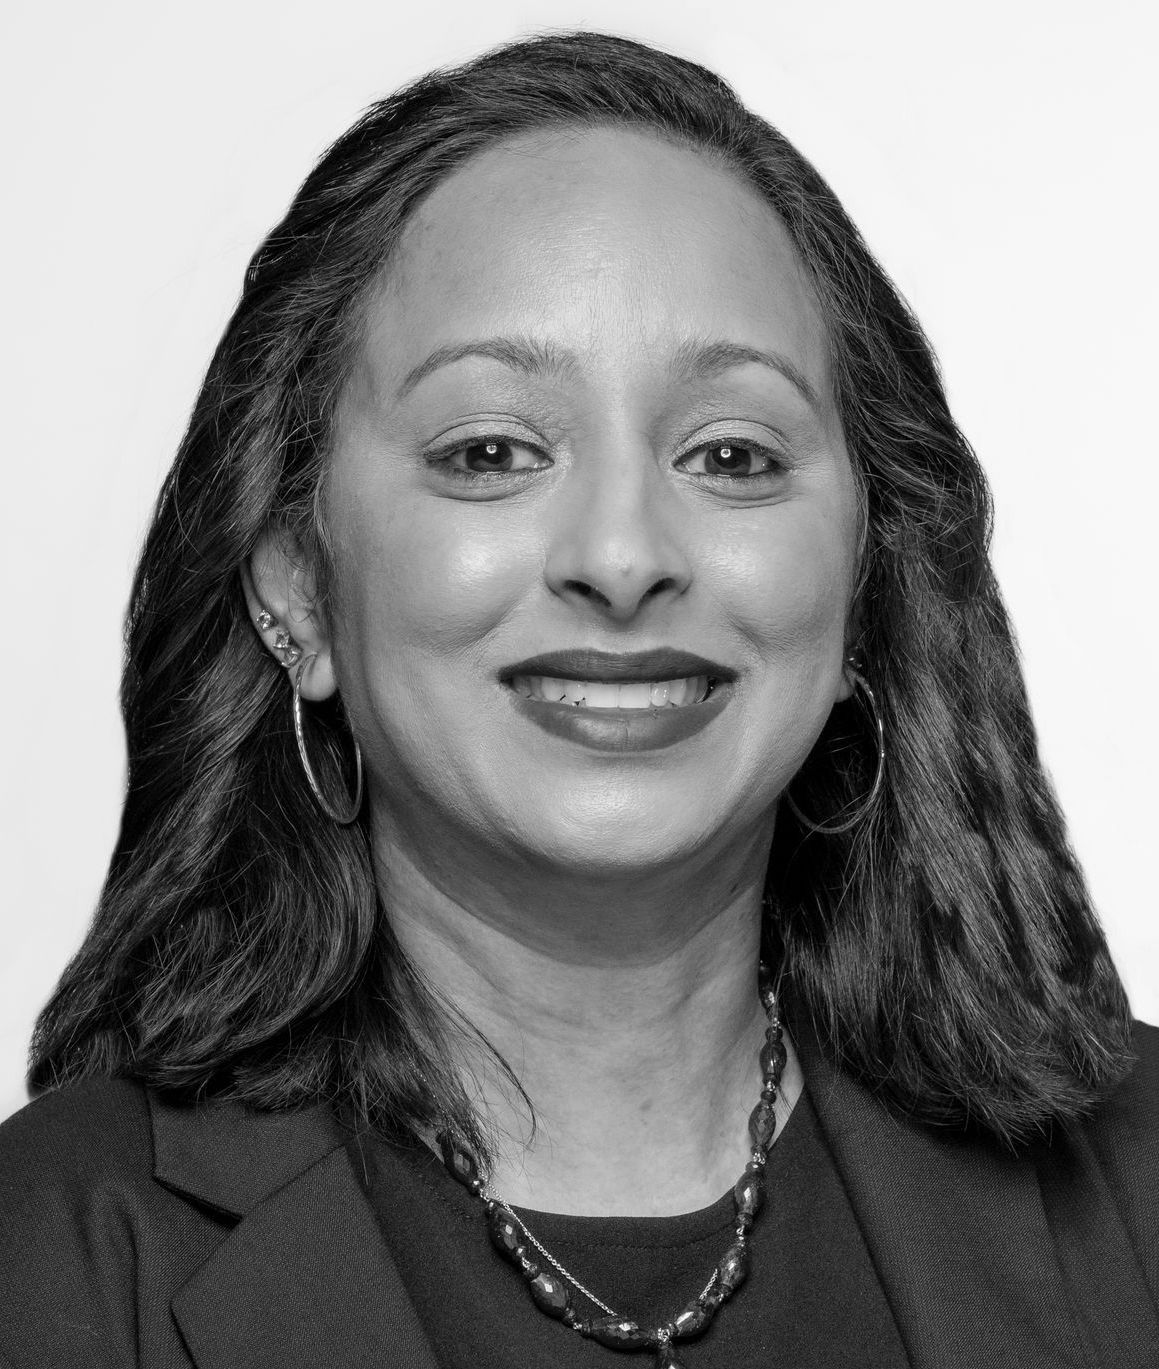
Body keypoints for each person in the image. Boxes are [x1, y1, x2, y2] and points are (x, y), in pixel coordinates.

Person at [0, 29, 1155, 1369]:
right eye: (490, 451)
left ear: (860, 587)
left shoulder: (1139, 1194)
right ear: (302, 594)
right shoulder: (54, 1254)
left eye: (731, 453)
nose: (621, 556)